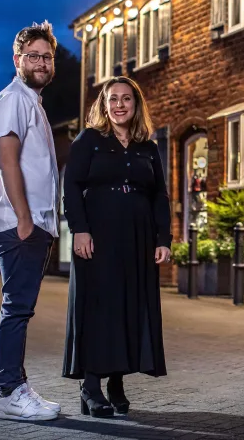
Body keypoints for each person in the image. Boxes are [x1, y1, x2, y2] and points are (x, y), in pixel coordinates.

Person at [62, 76, 172, 418]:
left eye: (126, 99)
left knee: (128, 306)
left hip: (138, 237)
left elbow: (160, 195)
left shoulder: (147, 147)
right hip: (98, 234)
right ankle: (91, 386)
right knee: (99, 307)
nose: (119, 105)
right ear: (104, 104)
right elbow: (71, 185)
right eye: (113, 99)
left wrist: (163, 239)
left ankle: (116, 383)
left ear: (136, 105)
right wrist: (79, 230)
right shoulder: (89, 140)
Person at [0, 21, 60, 421]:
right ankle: (8, 392)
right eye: (33, 56)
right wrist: (25, 219)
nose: (41, 63)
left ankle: (16, 385)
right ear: (17, 60)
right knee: (16, 309)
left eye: (47, 57)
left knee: (21, 309)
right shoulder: (13, 99)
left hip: (32, 225)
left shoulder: (31, 102)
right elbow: (7, 160)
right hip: (20, 226)